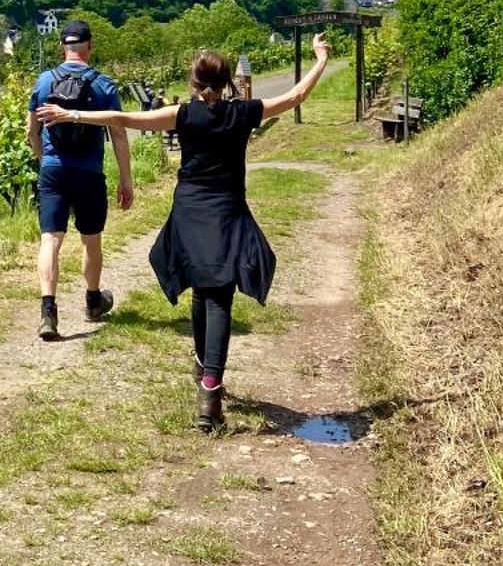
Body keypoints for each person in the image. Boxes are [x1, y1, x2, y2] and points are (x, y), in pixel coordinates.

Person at [36, 35, 331, 430]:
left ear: (194, 82)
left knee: (199, 283)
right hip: (227, 209)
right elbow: (296, 96)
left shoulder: (183, 114)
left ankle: (202, 368)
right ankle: (210, 387)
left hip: (189, 210)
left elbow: (123, 120)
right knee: (219, 294)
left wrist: (72, 116)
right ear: (227, 82)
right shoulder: (243, 112)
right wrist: (321, 59)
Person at [26, 18, 133, 343]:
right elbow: (118, 133)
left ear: (63, 46)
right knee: (91, 239)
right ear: (90, 45)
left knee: (50, 240)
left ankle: (48, 312)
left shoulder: (44, 82)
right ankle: (92, 301)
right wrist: (126, 179)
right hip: (89, 172)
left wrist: (44, 160)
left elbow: (32, 130)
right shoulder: (103, 85)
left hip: (54, 170)